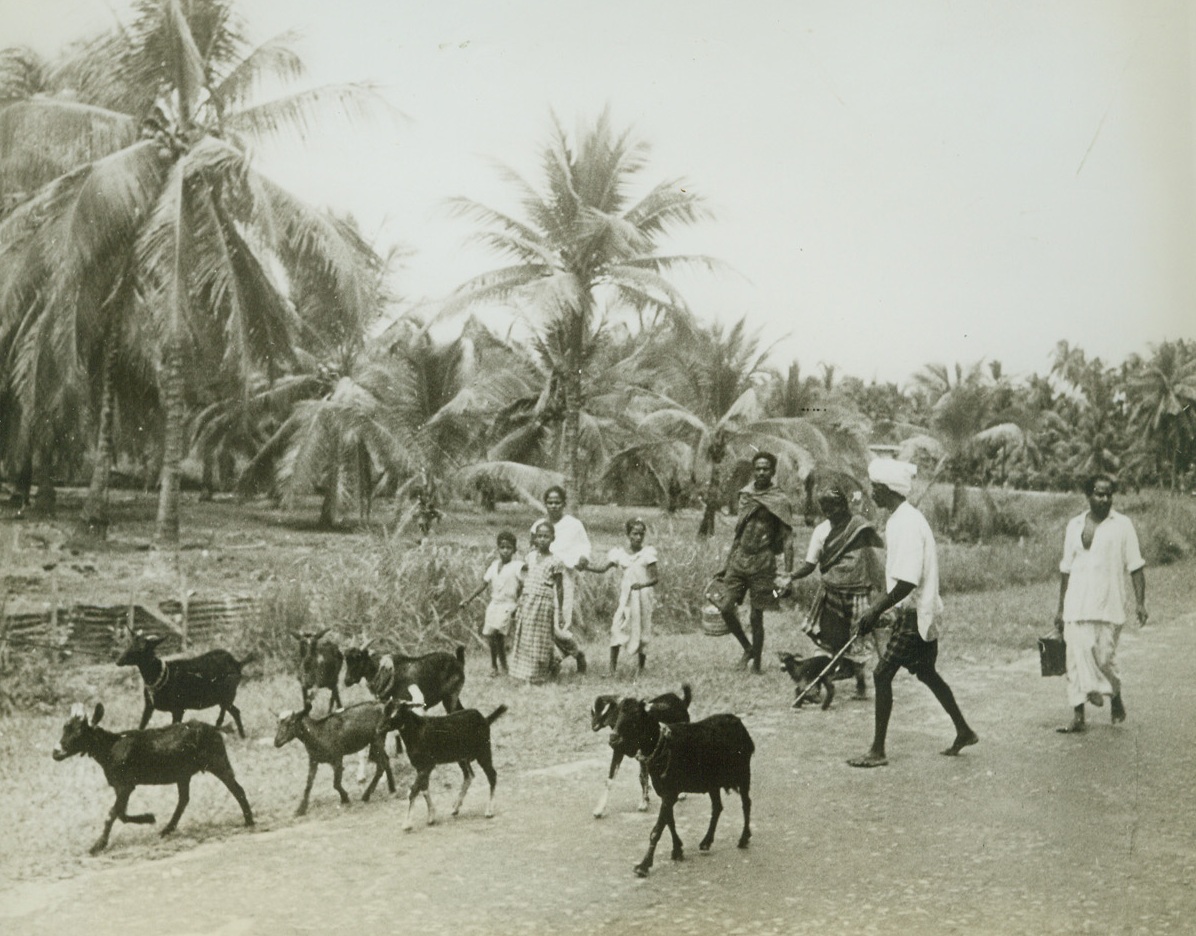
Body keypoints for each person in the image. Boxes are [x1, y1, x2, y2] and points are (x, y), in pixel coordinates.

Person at [848, 458, 978, 767]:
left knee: (882, 674)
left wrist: (874, 610)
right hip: (919, 609)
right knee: (927, 673)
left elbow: (907, 581)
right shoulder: (903, 518)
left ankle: (877, 751)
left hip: (915, 612)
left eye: (875, 488)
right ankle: (964, 730)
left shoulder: (905, 522)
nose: (872, 493)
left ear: (886, 489)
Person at [1053, 473, 1148, 733]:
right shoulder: (1074, 525)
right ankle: (1078, 715)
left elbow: (1136, 566)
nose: (1105, 499)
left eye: (1108, 494)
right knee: (1075, 656)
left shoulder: (1123, 525)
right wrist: (1061, 608)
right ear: (1088, 495)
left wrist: (1140, 602)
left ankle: (1113, 695)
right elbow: (1066, 568)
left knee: (1105, 659)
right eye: (1099, 493)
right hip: (1077, 603)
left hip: (1109, 603)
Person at [789, 484, 885, 697]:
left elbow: (872, 560)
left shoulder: (859, 527)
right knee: (826, 640)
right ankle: (813, 685)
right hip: (830, 592)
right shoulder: (821, 531)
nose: (829, 512)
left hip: (858, 592)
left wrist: (883, 590)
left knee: (857, 639)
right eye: (825, 507)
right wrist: (791, 576)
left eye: (834, 506)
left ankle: (861, 683)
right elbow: (810, 564)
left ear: (844, 505)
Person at [715, 451, 796, 674]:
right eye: (758, 468)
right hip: (740, 558)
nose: (761, 472)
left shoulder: (779, 500)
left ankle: (757, 664)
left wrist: (788, 573)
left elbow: (788, 539)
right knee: (725, 606)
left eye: (766, 469)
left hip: (763, 561)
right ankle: (747, 648)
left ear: (772, 472)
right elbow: (738, 532)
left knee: (756, 615)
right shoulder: (746, 495)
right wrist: (726, 563)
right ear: (754, 470)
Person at [581, 517, 659, 677]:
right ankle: (611, 669)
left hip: (643, 597)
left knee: (643, 628)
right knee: (617, 627)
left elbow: (655, 578)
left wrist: (642, 585)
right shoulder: (620, 554)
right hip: (627, 598)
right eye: (634, 534)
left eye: (641, 534)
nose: (638, 537)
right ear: (628, 534)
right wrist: (586, 567)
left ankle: (641, 667)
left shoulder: (647, 554)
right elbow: (603, 568)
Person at [508, 520, 566, 683]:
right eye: (539, 536)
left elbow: (560, 588)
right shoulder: (531, 557)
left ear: (553, 538)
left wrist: (560, 611)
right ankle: (523, 672)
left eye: (546, 536)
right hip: (528, 600)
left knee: (540, 638)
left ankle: (540, 672)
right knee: (525, 635)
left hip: (543, 603)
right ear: (535, 539)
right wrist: (519, 600)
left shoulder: (556, 561)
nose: (542, 540)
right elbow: (525, 580)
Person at [459, 531, 522, 676]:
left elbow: (524, 584)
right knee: (492, 636)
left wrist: (519, 602)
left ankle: (501, 665)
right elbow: (483, 584)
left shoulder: (517, 566)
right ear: (498, 548)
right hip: (494, 604)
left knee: (497, 634)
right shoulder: (494, 565)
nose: (505, 551)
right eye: (502, 547)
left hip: (508, 604)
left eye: (509, 548)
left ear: (514, 550)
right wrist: (468, 599)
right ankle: (495, 665)